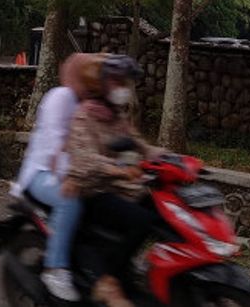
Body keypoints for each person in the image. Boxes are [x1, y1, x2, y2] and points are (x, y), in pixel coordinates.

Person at [64, 55, 159, 307]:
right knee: (141, 221)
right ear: (102, 84)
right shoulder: (84, 116)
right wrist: (118, 170)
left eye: (124, 83)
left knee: (159, 208)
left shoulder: (116, 116)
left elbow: (141, 145)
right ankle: (109, 280)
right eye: (117, 82)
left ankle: (140, 268)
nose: (122, 88)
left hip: (119, 189)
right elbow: (85, 161)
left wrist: (176, 159)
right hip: (94, 192)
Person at [12, 53, 99, 302]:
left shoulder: (84, 103)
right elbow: (55, 143)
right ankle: (55, 268)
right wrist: (71, 175)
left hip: (67, 173)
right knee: (68, 200)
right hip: (41, 174)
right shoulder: (61, 97)